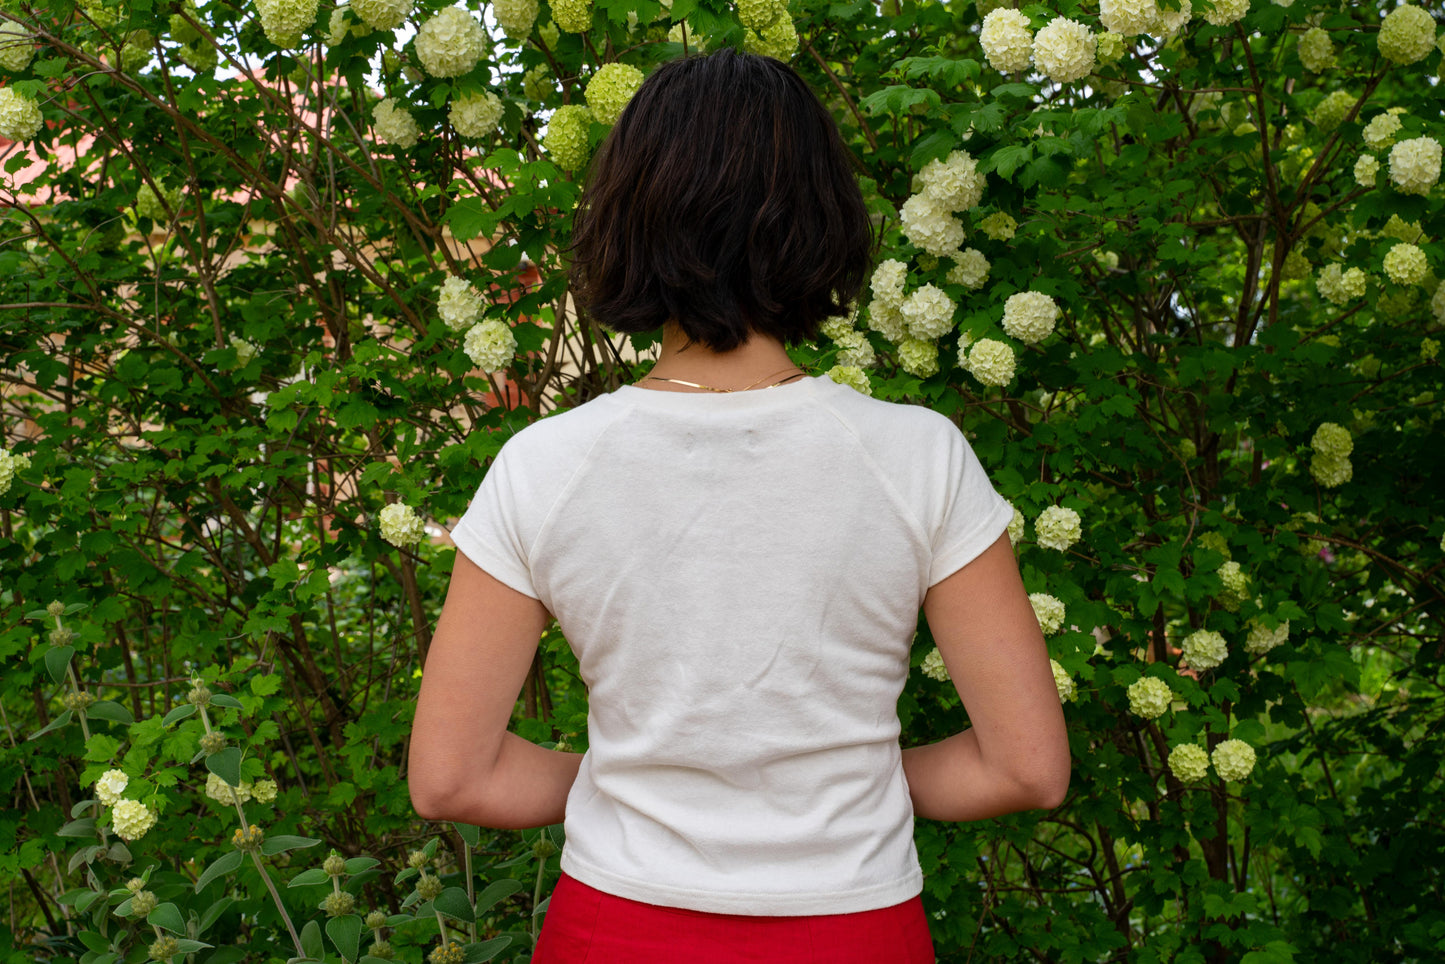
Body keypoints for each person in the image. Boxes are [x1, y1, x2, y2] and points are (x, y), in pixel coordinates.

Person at [408, 49, 1070, 963]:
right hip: (855, 932)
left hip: (616, 931)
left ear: (627, 216)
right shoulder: (917, 458)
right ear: (822, 218)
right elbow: (1026, 769)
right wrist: (847, 780)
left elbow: (450, 780)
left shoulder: (544, 465)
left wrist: (634, 782)